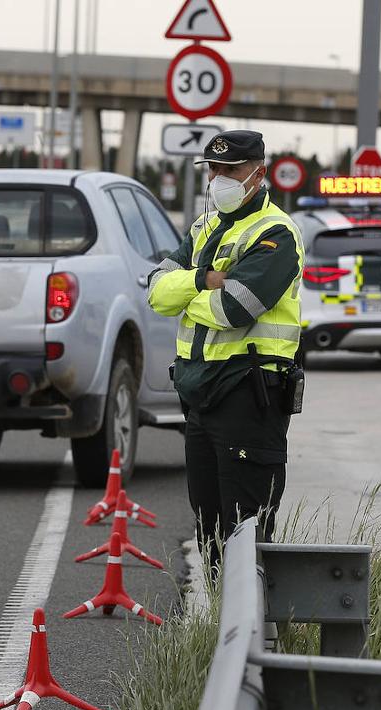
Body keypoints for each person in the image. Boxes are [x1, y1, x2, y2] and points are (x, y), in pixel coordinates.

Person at [145, 129, 304, 570]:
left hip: (249, 395)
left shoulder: (276, 233)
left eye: (230, 169)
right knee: (210, 530)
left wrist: (190, 294)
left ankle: (250, 633)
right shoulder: (205, 227)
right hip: (200, 397)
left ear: (259, 173)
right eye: (213, 169)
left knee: (246, 531)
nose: (219, 179)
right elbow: (157, 293)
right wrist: (202, 279)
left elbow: (236, 306)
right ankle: (222, 627)